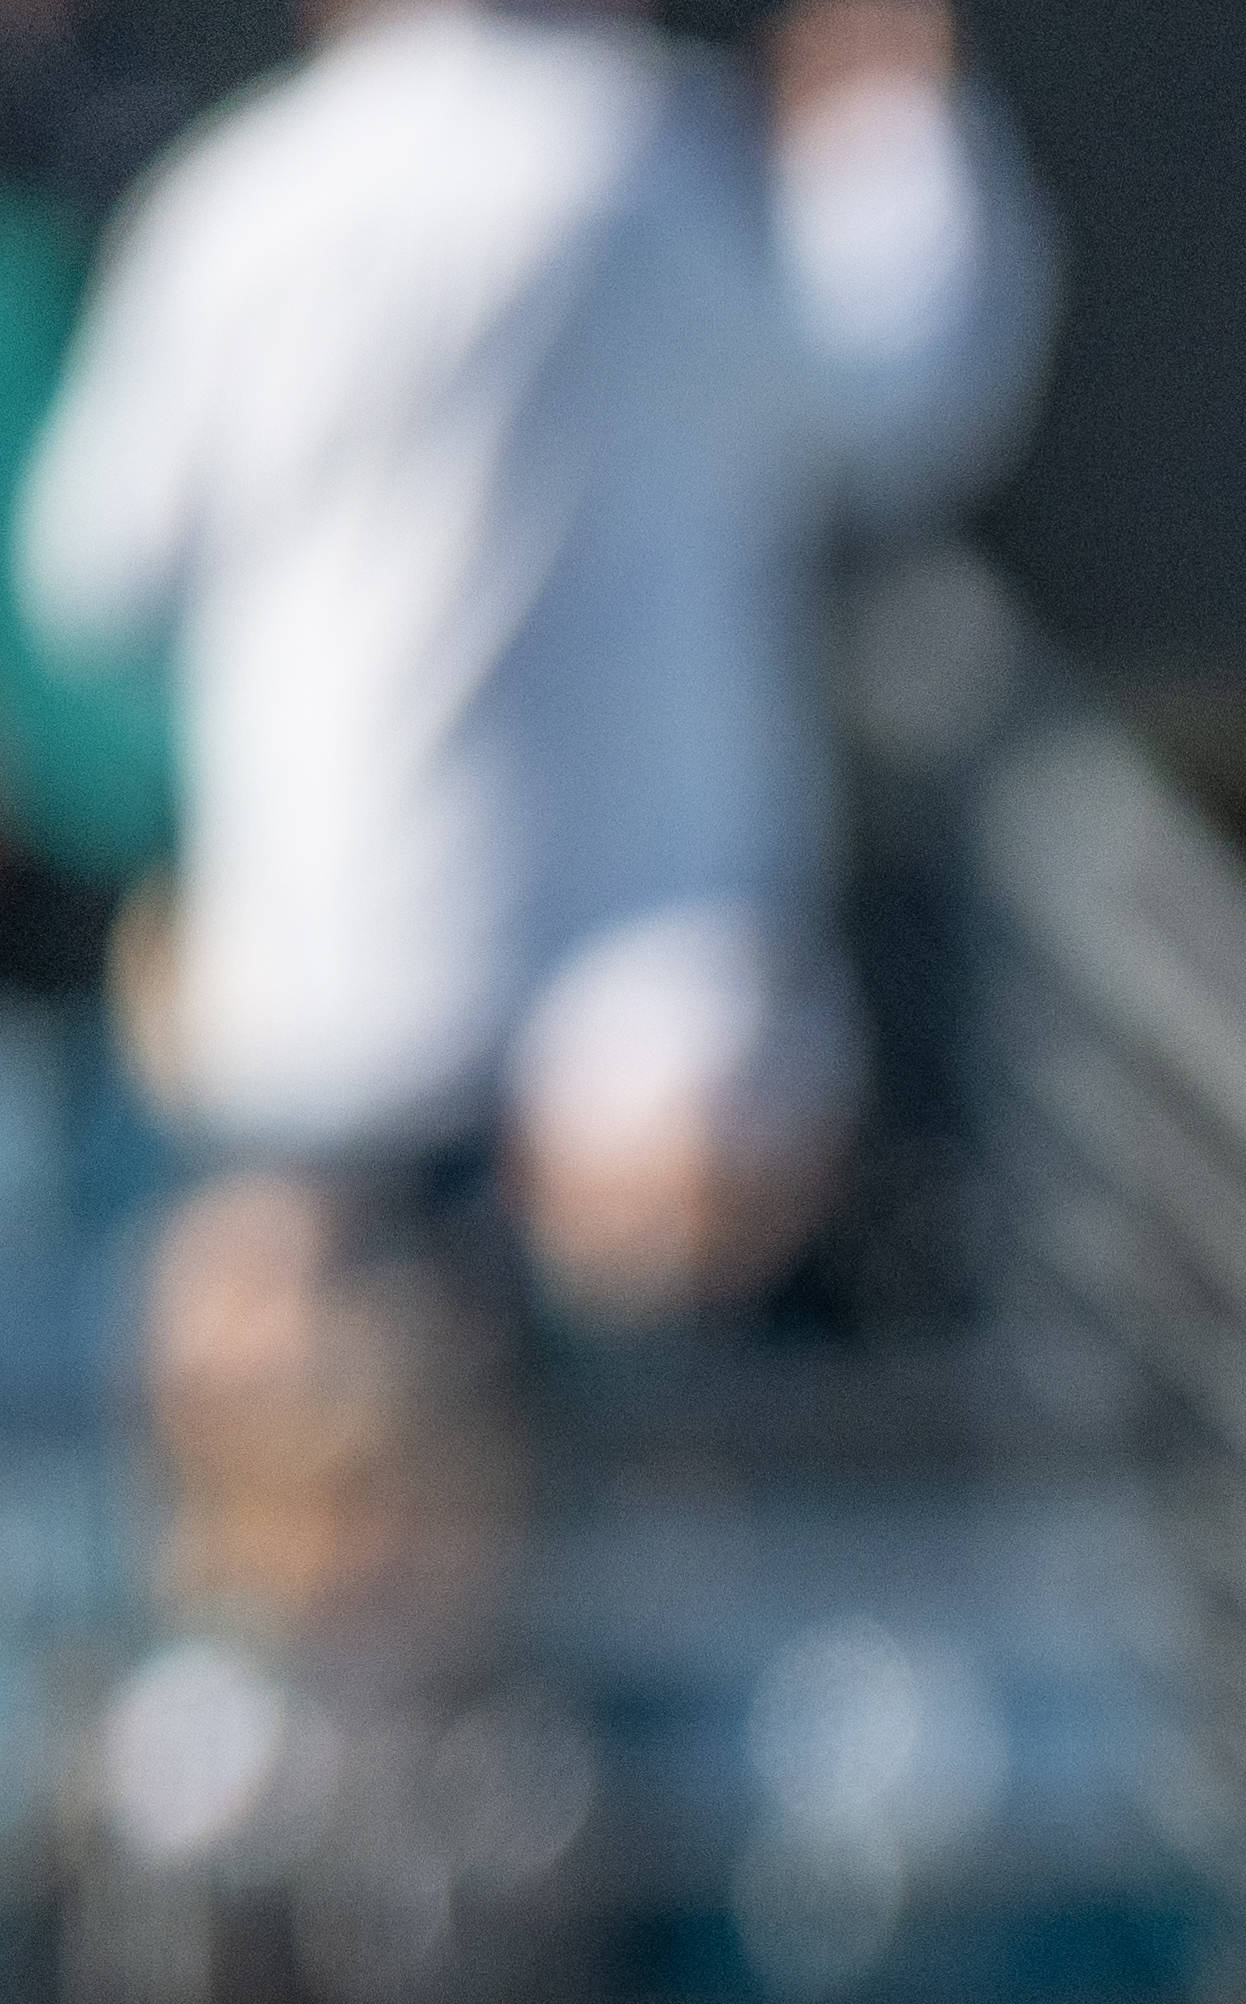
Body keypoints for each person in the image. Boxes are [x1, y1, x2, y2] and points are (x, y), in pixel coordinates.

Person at [15, 0, 1051, 1309]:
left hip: (329, 1027)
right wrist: (892, 126)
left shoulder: (237, 199)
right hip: (644, 1081)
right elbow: (904, 388)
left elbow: (87, 575)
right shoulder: (648, 163)